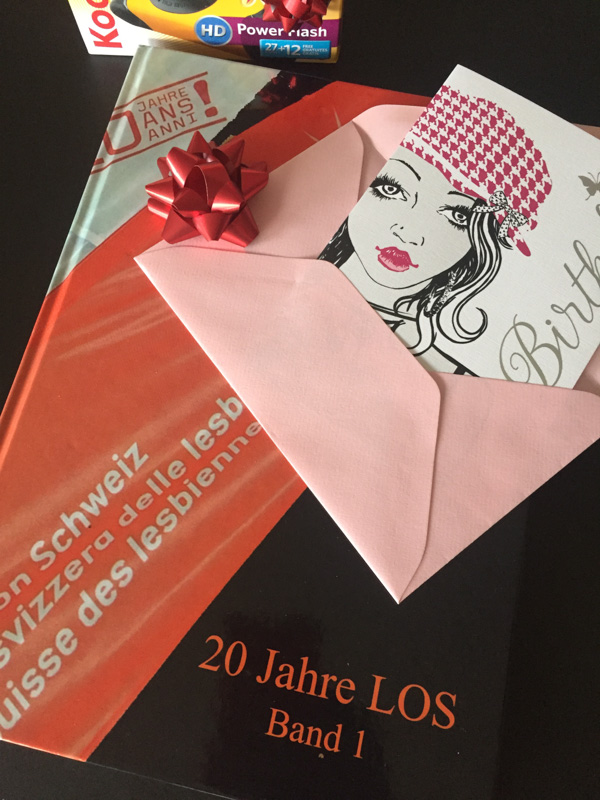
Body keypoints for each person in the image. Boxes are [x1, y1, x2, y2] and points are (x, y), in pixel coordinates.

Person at [320, 84, 553, 375]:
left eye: (457, 215)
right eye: (393, 189)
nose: (408, 234)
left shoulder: (457, 376)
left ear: (481, 241)